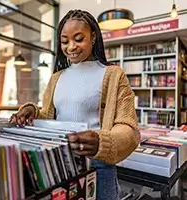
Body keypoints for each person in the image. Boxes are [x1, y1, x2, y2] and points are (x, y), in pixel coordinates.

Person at [10, 9, 140, 200]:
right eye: (64, 41)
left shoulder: (113, 75)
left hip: (98, 166)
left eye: (79, 39)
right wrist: (32, 111)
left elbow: (129, 128)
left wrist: (102, 142)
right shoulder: (56, 78)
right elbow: (49, 116)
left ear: (93, 37)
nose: (71, 47)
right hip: (61, 165)